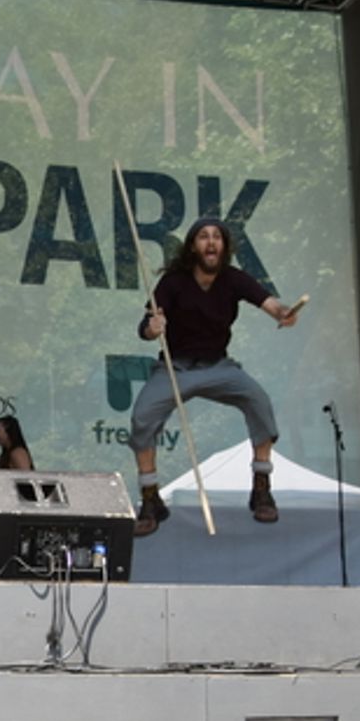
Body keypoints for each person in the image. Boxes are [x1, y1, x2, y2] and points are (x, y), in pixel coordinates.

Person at [128, 217, 299, 536]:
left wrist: (284, 314)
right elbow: (146, 325)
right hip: (176, 368)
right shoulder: (174, 282)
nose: (211, 242)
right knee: (141, 419)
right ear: (194, 246)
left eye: (216, 237)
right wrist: (152, 329)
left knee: (258, 401)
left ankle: (261, 487)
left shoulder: (233, 279)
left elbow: (270, 304)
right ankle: (150, 498)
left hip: (219, 367)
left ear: (224, 246)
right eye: (204, 237)